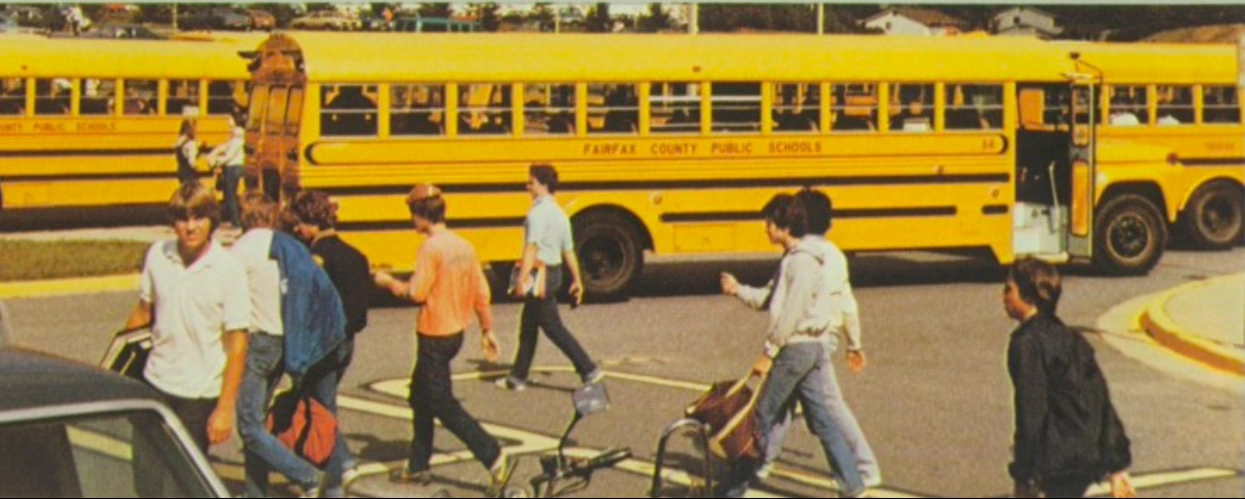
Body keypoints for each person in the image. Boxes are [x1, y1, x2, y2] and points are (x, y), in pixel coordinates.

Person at [722, 188, 881, 488]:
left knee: (763, 417)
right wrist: (738, 290)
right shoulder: (806, 257)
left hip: (799, 346)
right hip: (815, 345)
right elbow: (772, 298)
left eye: (769, 223)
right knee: (821, 417)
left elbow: (791, 313)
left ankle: (734, 488)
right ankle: (852, 483)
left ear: (787, 225)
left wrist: (769, 352)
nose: (765, 229)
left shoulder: (802, 261)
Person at [373, 184, 515, 497]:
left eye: (412, 213)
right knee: (419, 396)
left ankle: (493, 455)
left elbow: (416, 292)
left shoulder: (431, 249)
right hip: (455, 333)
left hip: (434, 335)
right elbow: (481, 291)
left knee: (441, 403)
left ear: (421, 214)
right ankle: (418, 464)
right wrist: (487, 329)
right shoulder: (464, 246)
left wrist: (388, 282)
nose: (411, 220)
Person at [120, 183, 249, 476]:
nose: (190, 227)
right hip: (155, 382)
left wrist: (225, 408)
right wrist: (114, 364)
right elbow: (144, 311)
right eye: (182, 219)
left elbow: (238, 344)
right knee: (146, 477)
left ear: (212, 220)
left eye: (198, 218)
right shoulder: (158, 254)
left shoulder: (228, 269)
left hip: (198, 395)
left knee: (183, 481)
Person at [231, 193, 348, 498]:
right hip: (284, 343)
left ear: (244, 217)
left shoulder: (242, 250)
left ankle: (308, 478)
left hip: (258, 343)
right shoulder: (288, 247)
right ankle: (254, 492)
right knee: (257, 423)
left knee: (248, 426)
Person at [1004, 258, 1136, 499]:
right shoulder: (1073, 339)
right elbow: (1100, 400)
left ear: (1028, 295)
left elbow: (1030, 412)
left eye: (1009, 289)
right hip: (1086, 456)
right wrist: (1117, 466)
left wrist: (1024, 473)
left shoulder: (1026, 343)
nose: (1003, 297)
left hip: (1054, 461)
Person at [288, 190, 372, 489]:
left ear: (313, 222)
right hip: (347, 342)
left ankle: (336, 476)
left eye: (299, 223)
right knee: (323, 403)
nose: (296, 229)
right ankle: (343, 461)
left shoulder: (316, 258)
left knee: (321, 410)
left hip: (323, 344)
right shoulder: (356, 255)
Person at [496, 163, 603, 392]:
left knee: (553, 328)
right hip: (554, 272)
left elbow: (531, 247)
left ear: (543, 185)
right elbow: (568, 251)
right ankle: (517, 376)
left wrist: (522, 278)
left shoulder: (536, 214)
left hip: (540, 274)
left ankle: (588, 369)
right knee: (528, 326)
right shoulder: (560, 214)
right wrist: (577, 280)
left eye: (531, 183)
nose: (527, 187)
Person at [208, 117, 246, 228]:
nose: (230, 129)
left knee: (230, 195)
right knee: (230, 195)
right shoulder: (236, 140)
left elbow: (229, 155)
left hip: (233, 168)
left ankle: (235, 221)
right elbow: (224, 148)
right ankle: (233, 219)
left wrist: (216, 161)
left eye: (231, 126)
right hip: (233, 167)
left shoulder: (237, 140)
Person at [175, 119, 200, 186]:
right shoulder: (191, 143)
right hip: (189, 172)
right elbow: (192, 162)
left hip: (181, 170)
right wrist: (196, 168)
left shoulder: (179, 140)